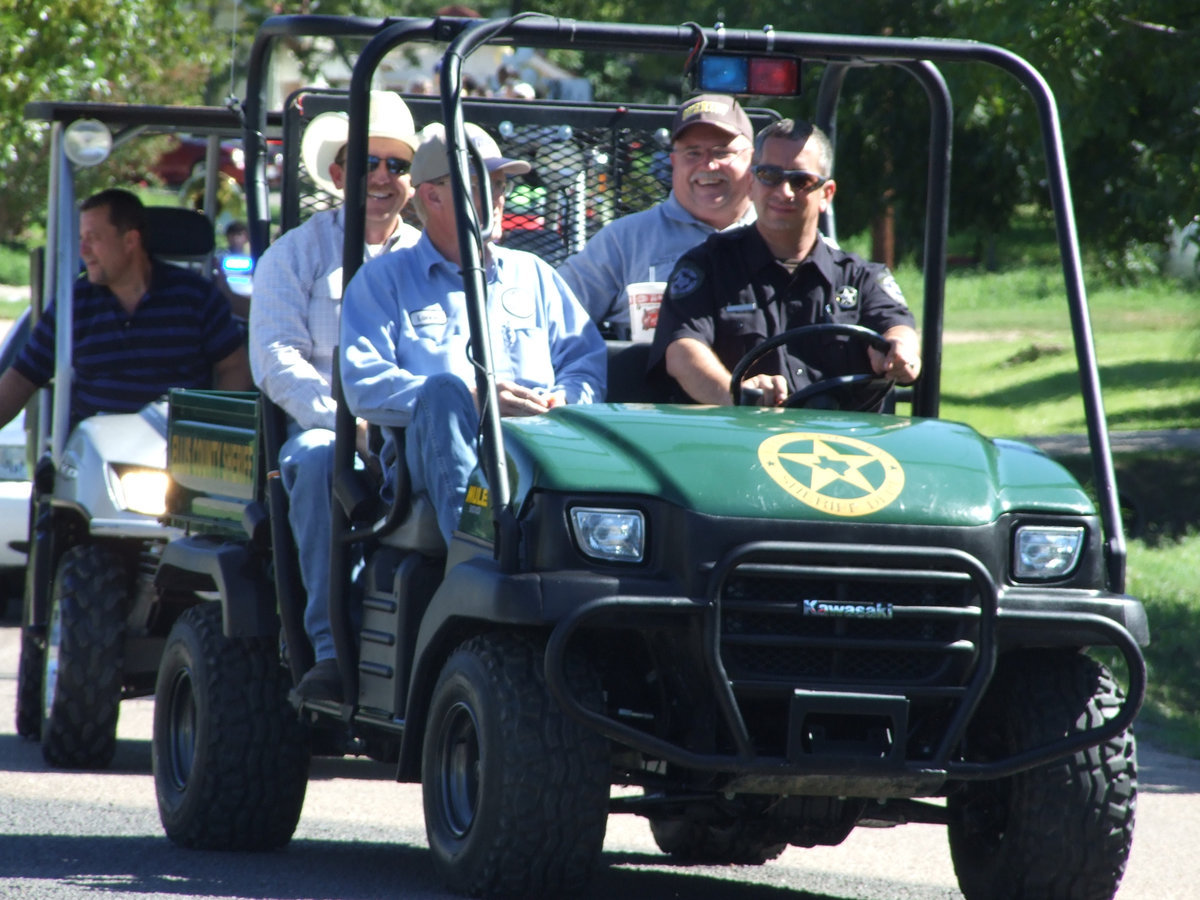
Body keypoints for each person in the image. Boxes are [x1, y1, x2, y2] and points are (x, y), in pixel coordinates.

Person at [341, 121, 605, 563]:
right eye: (485, 185)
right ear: (432, 195)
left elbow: (585, 361)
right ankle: (480, 562)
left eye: (502, 184)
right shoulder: (383, 280)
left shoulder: (534, 273)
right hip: (426, 456)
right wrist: (474, 399)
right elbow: (363, 385)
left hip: (535, 444)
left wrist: (565, 400)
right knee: (442, 389)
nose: (501, 199)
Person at [249, 90, 421, 703]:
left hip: (414, 430)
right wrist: (349, 425)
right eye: (367, 162)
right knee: (324, 456)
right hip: (330, 430)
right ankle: (329, 651)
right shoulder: (294, 255)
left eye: (397, 166)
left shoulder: (432, 260)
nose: (382, 178)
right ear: (338, 172)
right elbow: (276, 360)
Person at [648, 118, 921, 407]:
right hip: (742, 437)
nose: (784, 192)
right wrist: (737, 394)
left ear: (826, 194)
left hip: (845, 444)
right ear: (752, 183)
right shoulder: (708, 266)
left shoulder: (860, 278)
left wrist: (900, 351)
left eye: (801, 181)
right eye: (770, 176)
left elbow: (898, 328)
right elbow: (682, 352)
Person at [0, 188, 250, 432]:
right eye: (81, 239)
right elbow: (22, 377)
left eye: (93, 239)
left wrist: (212, 428)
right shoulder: (74, 302)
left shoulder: (195, 295)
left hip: (175, 451)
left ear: (130, 240)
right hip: (94, 453)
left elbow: (234, 367)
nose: (83, 251)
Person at [557, 94, 757, 338]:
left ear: (753, 160)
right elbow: (554, 319)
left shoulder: (779, 236)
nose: (708, 165)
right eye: (692, 153)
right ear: (674, 162)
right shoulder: (622, 241)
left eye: (722, 152)